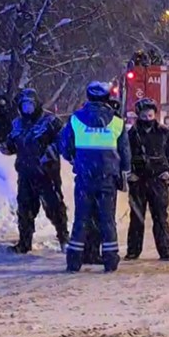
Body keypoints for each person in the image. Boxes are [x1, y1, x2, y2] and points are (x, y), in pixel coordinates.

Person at [58, 81, 131, 273]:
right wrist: (124, 172)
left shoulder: (75, 119)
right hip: (107, 178)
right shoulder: (117, 122)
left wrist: (76, 159)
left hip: (84, 177)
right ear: (107, 98)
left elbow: (64, 146)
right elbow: (125, 151)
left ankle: (74, 260)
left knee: (81, 218)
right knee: (107, 220)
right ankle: (110, 260)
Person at [0, 89, 69, 254]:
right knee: (25, 209)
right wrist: (7, 147)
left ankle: (64, 239)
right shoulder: (17, 123)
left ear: (37, 104)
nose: (27, 108)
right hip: (25, 173)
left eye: (30, 104)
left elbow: (64, 140)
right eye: (24, 105)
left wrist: (50, 151)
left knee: (54, 207)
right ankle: (24, 242)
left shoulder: (50, 121)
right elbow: (13, 142)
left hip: (47, 174)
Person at [125, 97, 169, 261]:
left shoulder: (163, 133)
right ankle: (133, 251)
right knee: (136, 218)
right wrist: (130, 173)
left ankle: (165, 251)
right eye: (144, 116)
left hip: (158, 182)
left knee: (160, 217)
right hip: (138, 182)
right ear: (138, 116)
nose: (147, 119)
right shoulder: (132, 134)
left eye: (150, 116)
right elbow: (125, 155)